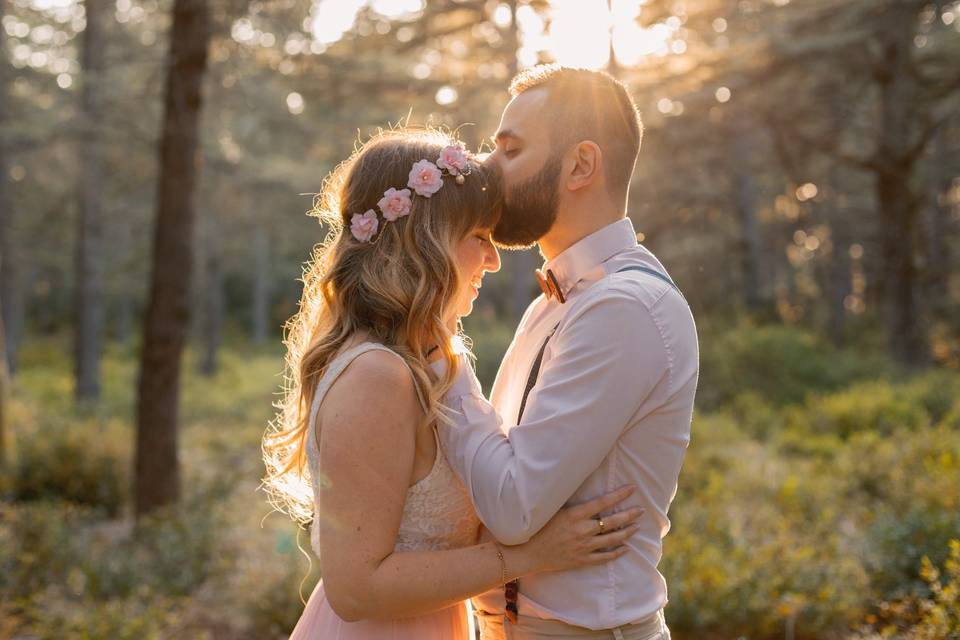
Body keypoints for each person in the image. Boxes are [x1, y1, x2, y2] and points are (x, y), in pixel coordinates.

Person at [260, 128, 645, 640]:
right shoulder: (377, 375)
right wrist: (529, 556)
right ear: (426, 241)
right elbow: (355, 589)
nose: (493, 259)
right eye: (479, 238)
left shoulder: (421, 363)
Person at [435, 65, 700, 640]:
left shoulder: (624, 308)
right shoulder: (556, 303)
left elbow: (512, 505)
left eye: (511, 150)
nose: (488, 169)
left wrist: (440, 356)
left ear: (581, 164)